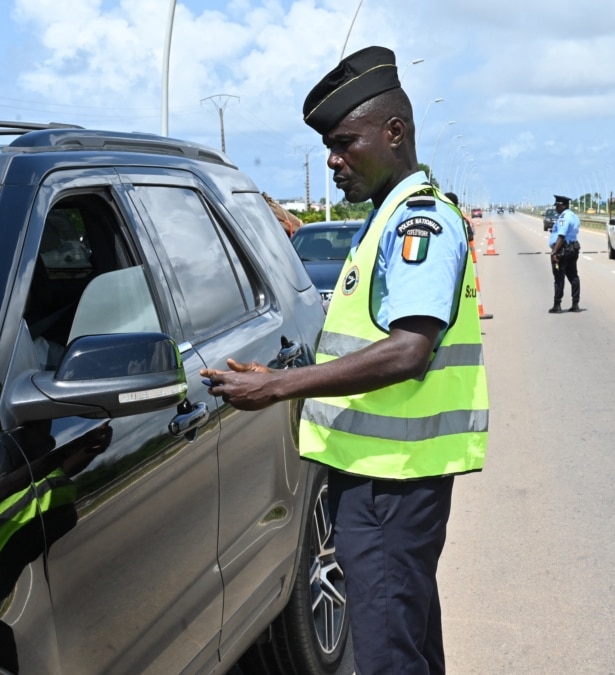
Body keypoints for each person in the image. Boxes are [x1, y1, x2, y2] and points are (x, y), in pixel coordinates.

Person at [200, 45, 488, 675]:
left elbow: (410, 350)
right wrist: (284, 373)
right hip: (383, 475)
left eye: (344, 142)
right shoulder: (386, 219)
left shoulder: (418, 224)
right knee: (406, 643)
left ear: (395, 132)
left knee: (387, 655)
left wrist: (283, 386)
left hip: (393, 480)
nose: (332, 160)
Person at [548, 194, 581, 313]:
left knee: (559, 278)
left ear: (564, 205)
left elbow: (561, 236)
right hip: (573, 249)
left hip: (563, 250)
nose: (556, 208)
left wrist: (554, 252)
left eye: (558, 205)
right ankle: (575, 304)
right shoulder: (574, 216)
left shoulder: (564, 217)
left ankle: (557, 305)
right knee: (573, 276)